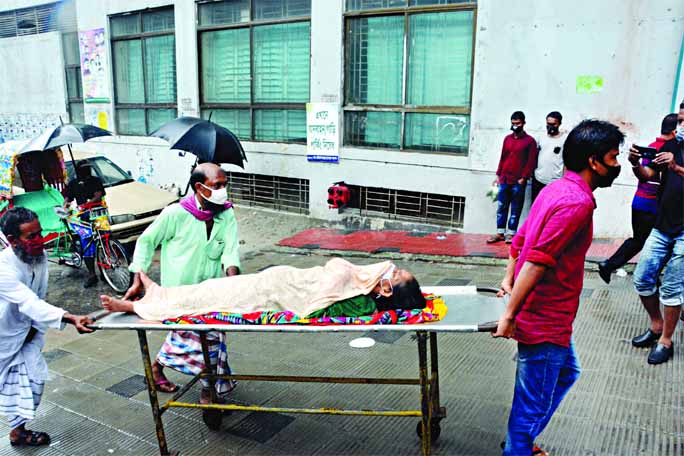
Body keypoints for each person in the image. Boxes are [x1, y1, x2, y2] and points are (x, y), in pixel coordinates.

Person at [493, 120, 625, 456]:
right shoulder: (575, 203)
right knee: (530, 407)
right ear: (593, 162)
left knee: (567, 373)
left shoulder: (554, 189)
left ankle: (519, 441)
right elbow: (536, 260)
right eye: (613, 157)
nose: (617, 165)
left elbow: (520, 241)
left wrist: (509, 279)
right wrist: (509, 315)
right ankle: (518, 446)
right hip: (545, 322)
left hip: (551, 318)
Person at [124, 163, 240, 403]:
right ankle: (209, 390)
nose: (223, 190)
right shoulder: (175, 213)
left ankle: (165, 371)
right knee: (199, 337)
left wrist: (234, 281)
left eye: (224, 184)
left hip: (211, 290)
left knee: (208, 335)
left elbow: (230, 250)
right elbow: (146, 242)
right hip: (178, 292)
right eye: (217, 185)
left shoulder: (226, 213)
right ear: (199, 188)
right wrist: (138, 279)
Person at [0, 207, 93, 447]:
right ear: (12, 240)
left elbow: (39, 297)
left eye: (40, 233)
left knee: (34, 380)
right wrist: (69, 317)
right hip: (3, 338)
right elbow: (28, 301)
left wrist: (38, 327)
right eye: (31, 237)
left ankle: (18, 431)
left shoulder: (39, 257)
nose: (40, 241)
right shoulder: (4, 269)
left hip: (26, 335)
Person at [101, 259, 426, 321]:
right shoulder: (365, 281)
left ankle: (136, 307)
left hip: (270, 294)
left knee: (205, 299)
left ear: (388, 291)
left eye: (396, 275)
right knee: (209, 287)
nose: (391, 269)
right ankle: (156, 292)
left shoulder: (363, 303)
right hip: (274, 281)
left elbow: (317, 307)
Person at [630, 102, 684, 365]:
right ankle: (655, 325)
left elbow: (672, 170)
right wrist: (635, 164)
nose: (680, 127)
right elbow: (650, 175)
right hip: (662, 226)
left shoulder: (676, 155)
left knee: (673, 288)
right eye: (680, 121)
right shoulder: (672, 146)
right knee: (642, 279)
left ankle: (666, 340)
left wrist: (676, 168)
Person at [598, 113, 678, 283]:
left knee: (641, 240)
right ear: (674, 130)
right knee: (652, 242)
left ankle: (614, 266)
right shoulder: (667, 149)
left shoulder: (652, 146)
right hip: (652, 204)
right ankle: (615, 266)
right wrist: (634, 163)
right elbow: (648, 175)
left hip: (640, 201)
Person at [488, 111, 538, 244]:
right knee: (501, 206)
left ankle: (511, 234)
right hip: (504, 179)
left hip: (518, 181)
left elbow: (531, 162)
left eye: (518, 123)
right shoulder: (507, 139)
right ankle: (500, 233)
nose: (515, 126)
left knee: (516, 208)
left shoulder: (530, 142)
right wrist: (498, 175)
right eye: (513, 123)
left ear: (523, 123)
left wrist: (524, 178)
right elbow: (502, 158)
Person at [63, 163, 106, 288]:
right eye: (83, 170)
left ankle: (105, 269)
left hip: (98, 214)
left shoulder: (95, 181)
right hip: (83, 217)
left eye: (88, 169)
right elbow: (68, 197)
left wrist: (88, 203)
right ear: (78, 171)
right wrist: (65, 205)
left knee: (104, 240)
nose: (87, 171)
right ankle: (92, 275)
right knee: (87, 244)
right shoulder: (73, 183)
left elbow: (98, 195)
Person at [531, 111, 566, 201]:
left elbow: (567, 160)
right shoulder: (540, 137)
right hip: (538, 179)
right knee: (536, 207)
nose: (550, 126)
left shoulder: (564, 139)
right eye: (548, 124)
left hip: (555, 182)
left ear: (559, 124)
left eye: (553, 124)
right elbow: (533, 155)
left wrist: (564, 179)